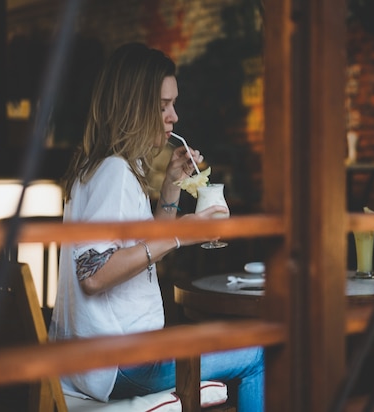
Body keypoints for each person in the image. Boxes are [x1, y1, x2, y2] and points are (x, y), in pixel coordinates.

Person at [48, 42, 264, 411]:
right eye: (164, 106)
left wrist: (170, 188)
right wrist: (184, 233)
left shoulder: (100, 167)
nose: (174, 116)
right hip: (117, 362)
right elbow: (94, 274)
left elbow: (141, 252)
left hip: (98, 359)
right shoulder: (115, 172)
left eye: (173, 104)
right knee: (254, 353)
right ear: (135, 107)